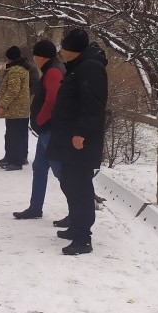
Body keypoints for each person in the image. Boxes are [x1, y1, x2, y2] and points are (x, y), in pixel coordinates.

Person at [48, 28, 109, 255]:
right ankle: (76, 226)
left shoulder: (91, 69)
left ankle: (84, 237)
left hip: (80, 141)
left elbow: (92, 105)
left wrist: (81, 133)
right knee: (70, 184)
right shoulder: (80, 66)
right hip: (69, 139)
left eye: (64, 47)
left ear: (73, 49)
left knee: (80, 187)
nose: (62, 52)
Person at [12, 40, 65, 219]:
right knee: (39, 167)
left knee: (61, 173)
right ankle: (35, 208)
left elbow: (52, 100)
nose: (34, 59)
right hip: (46, 131)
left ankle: (78, 210)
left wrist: (39, 120)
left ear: (41, 56)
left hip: (51, 131)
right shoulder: (52, 69)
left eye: (35, 55)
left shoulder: (53, 72)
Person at [0, 46, 31, 171]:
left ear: (9, 58)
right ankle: (10, 157)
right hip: (19, 110)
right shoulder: (22, 68)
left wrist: (1, 105)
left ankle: (16, 161)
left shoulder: (15, 70)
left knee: (14, 136)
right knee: (12, 135)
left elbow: (13, 91)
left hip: (16, 110)